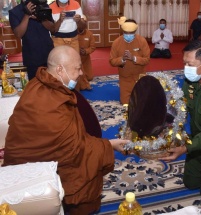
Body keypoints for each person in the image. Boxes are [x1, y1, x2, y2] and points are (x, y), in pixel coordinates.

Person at [3, 45, 128, 215]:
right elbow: (74, 150)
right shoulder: (48, 100)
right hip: (30, 164)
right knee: (86, 162)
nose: (81, 73)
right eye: (77, 68)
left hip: (30, 154)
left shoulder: (38, 82)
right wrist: (109, 145)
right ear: (60, 70)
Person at [161, 39, 201, 204]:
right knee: (190, 183)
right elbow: (181, 106)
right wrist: (166, 125)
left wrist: (185, 147)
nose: (186, 69)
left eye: (189, 64)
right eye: (184, 63)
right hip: (198, 140)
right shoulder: (191, 81)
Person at [49, 0, 91, 90]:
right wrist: (60, 20)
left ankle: (76, 92)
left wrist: (79, 21)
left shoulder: (75, 4)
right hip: (58, 39)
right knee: (59, 67)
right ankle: (60, 92)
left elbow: (83, 27)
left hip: (74, 39)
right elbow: (53, 30)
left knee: (76, 66)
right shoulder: (50, 7)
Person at [9, 0, 55, 80]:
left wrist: (40, 18)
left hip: (49, 54)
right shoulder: (15, 12)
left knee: (51, 85)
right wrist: (27, 15)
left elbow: (53, 29)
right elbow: (19, 34)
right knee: (35, 88)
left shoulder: (43, 6)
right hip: (32, 57)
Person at [109, 17, 150, 105]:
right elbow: (112, 61)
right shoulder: (116, 42)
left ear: (135, 32)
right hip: (125, 78)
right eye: (126, 33)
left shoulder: (142, 41)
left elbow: (147, 60)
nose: (128, 35)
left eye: (131, 33)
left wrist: (133, 58)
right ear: (122, 31)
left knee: (142, 102)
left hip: (140, 76)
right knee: (126, 103)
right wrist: (122, 59)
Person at [78, 15, 96, 81]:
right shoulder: (73, 33)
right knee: (76, 79)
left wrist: (86, 51)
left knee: (89, 78)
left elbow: (93, 47)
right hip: (75, 58)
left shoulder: (89, 34)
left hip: (85, 58)